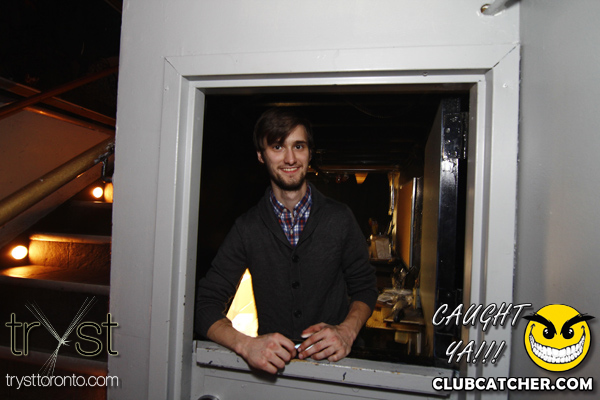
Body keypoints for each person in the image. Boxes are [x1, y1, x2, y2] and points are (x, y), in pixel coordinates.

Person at [195, 108, 377, 374]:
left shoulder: (339, 218)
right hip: (276, 376)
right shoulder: (247, 228)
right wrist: (246, 345)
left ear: (309, 153)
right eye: (277, 147)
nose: (290, 158)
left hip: (339, 371)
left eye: (298, 146)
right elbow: (205, 304)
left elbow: (365, 287)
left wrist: (347, 332)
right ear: (261, 156)